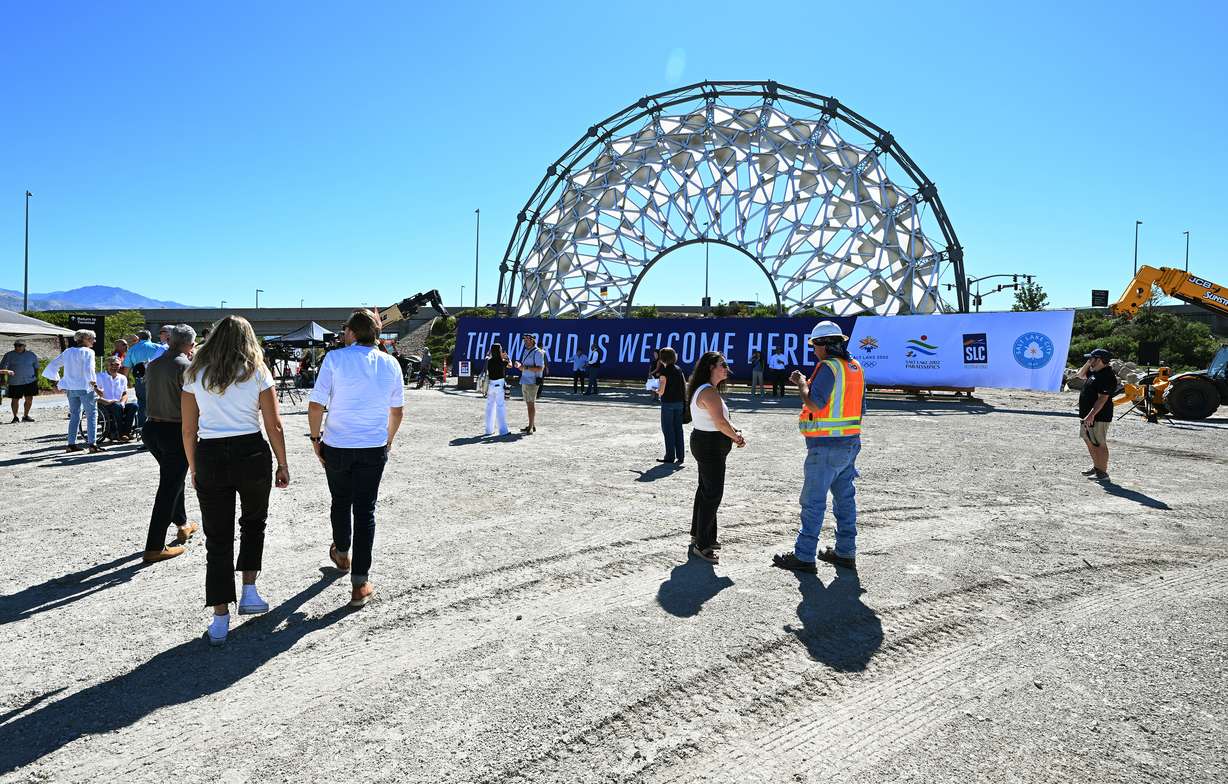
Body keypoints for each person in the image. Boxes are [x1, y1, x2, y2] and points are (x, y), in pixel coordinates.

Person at [182, 315, 290, 647]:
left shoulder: (195, 373)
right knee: (254, 523)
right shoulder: (257, 371)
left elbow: (188, 428)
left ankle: (219, 618)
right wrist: (283, 464)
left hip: (210, 454)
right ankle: (250, 591)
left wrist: (193, 466)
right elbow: (274, 425)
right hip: (251, 452)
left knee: (217, 538)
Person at [308, 310, 405, 608]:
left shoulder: (335, 359)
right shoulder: (391, 363)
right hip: (373, 447)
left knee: (340, 500)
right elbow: (397, 411)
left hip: (337, 444)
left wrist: (315, 440)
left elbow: (316, 404)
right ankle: (360, 583)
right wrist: (387, 441)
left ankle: (342, 552)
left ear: (351, 332)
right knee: (365, 511)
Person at [773, 321, 866, 575]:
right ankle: (845, 552)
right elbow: (861, 409)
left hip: (825, 447)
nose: (814, 350)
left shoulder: (828, 368)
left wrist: (801, 383)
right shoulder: (855, 368)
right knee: (845, 500)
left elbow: (814, 404)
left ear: (825, 345)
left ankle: (804, 556)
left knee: (813, 502)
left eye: (815, 345)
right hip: (850, 443)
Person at [142, 324, 199, 562]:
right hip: (174, 431)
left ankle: (183, 523)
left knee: (173, 478)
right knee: (169, 486)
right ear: (189, 343)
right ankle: (154, 545)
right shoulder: (186, 367)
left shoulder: (153, 364)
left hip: (152, 428)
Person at [687, 352, 746, 564]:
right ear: (711, 367)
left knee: (705, 491)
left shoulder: (705, 389)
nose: (726, 368)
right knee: (712, 494)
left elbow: (719, 422)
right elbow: (720, 423)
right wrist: (737, 438)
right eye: (722, 364)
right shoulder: (709, 392)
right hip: (709, 445)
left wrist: (732, 432)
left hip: (707, 442)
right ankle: (702, 544)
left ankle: (701, 535)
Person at [42, 330, 104, 453]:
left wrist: (58, 381)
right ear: (86, 338)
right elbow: (89, 370)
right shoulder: (89, 352)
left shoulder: (68, 351)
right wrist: (96, 386)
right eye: (93, 338)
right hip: (85, 387)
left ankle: (71, 444)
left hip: (71, 387)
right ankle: (92, 444)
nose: (94, 341)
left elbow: (53, 365)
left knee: (75, 415)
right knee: (92, 414)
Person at [1076, 348, 1117, 482]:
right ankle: (1097, 466)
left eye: (1092, 358)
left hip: (1098, 416)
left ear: (1099, 360)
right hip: (1088, 415)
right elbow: (1080, 375)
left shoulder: (1107, 376)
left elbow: (1102, 399)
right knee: (1089, 440)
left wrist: (1091, 415)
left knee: (1099, 443)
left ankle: (1102, 473)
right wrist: (1088, 363)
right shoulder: (1095, 372)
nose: (1089, 360)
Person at [124, 330, 166, 429]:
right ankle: (157, 426)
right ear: (150, 337)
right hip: (157, 379)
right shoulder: (159, 347)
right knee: (158, 403)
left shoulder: (132, 349)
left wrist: (125, 381)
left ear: (138, 338)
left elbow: (127, 368)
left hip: (140, 379)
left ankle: (142, 428)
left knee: (142, 403)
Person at [654, 347, 686, 465]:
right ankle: (681, 456)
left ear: (663, 358)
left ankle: (670, 456)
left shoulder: (664, 372)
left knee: (668, 429)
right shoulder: (679, 369)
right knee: (678, 429)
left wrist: (655, 389)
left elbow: (661, 391)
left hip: (668, 403)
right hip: (679, 402)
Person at [95, 357, 139, 441]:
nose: (114, 367)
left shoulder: (122, 378)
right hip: (104, 404)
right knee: (116, 406)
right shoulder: (99, 376)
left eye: (117, 365)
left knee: (134, 406)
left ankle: (126, 432)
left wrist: (122, 402)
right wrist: (107, 402)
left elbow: (125, 394)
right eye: (111, 364)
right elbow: (94, 395)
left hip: (118, 405)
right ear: (106, 365)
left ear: (120, 366)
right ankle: (121, 434)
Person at [1, 339, 39, 423]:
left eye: (19, 345)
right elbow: (3, 368)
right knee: (15, 400)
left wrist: (36, 378)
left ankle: (25, 416)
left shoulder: (31, 355)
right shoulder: (9, 355)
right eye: (15, 345)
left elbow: (36, 367)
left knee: (29, 399)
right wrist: (3, 379)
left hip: (30, 381)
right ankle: (15, 417)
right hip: (15, 381)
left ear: (24, 346)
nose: (17, 347)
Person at [516, 333, 548, 433]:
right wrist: (520, 366)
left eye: (527, 340)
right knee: (528, 404)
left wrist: (524, 368)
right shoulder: (526, 350)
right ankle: (531, 425)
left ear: (532, 340)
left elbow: (540, 368)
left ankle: (530, 427)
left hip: (532, 381)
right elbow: (525, 366)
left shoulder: (538, 352)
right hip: (525, 379)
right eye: (524, 340)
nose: (525, 341)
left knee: (531, 404)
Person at [484, 342, 510, 436]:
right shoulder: (501, 361)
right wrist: (506, 357)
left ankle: (488, 430)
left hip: (491, 384)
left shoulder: (489, 360)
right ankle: (503, 431)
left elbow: (488, 357)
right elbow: (510, 365)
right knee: (500, 407)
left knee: (490, 407)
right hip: (499, 384)